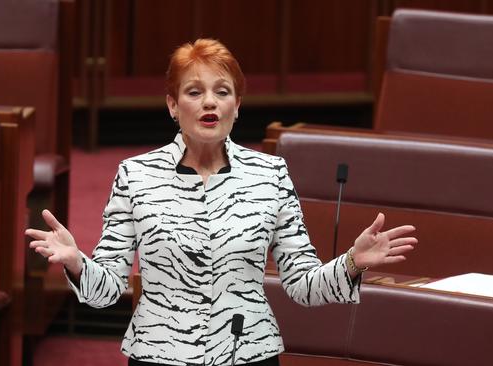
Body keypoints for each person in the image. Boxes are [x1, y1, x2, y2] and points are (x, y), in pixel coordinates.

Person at [26, 38, 417, 366]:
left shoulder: (271, 174)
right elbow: (106, 291)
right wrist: (78, 263)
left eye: (222, 91)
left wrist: (352, 261)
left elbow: (302, 286)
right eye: (194, 92)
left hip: (249, 353)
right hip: (160, 355)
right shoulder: (135, 175)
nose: (209, 102)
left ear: (237, 105)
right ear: (173, 106)